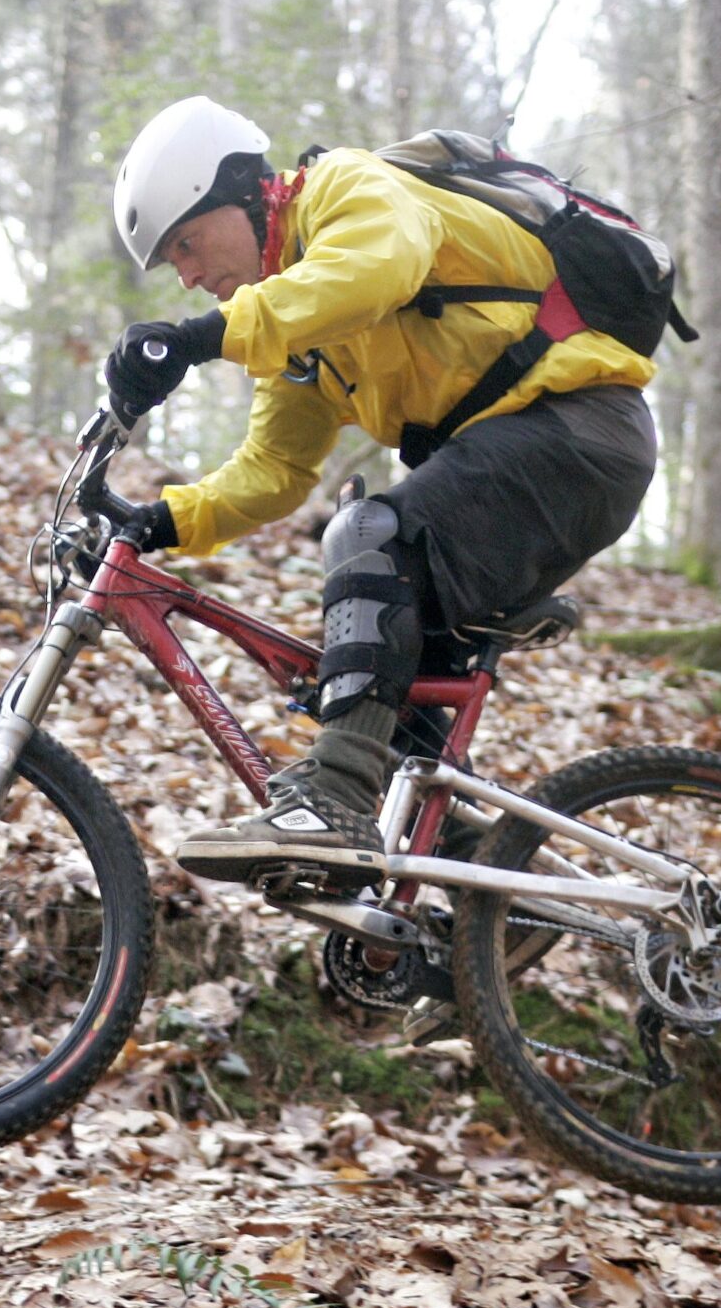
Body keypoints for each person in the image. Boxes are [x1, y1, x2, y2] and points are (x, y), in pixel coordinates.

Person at [107, 97, 659, 890]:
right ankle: (466, 902)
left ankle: (332, 799)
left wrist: (198, 340)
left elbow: (374, 270)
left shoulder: (347, 187)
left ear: (242, 193)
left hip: (578, 433)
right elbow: (273, 471)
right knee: (384, 698)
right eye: (174, 265)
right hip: (513, 457)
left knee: (370, 533)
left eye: (188, 243)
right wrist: (158, 522)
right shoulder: (299, 327)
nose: (190, 276)